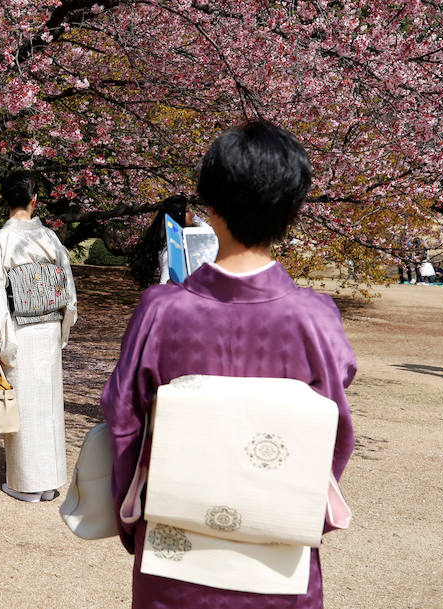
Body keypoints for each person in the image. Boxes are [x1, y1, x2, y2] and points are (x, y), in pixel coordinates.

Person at [101, 121, 355, 609]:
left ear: (210, 206)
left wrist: (134, 516)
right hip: (278, 553)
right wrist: (302, 511)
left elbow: (123, 420)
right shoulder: (315, 318)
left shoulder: (162, 311)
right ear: (292, 212)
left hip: (174, 556)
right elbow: (336, 431)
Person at [0, 171, 77, 502]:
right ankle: (48, 482)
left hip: (18, 328)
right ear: (35, 201)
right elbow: (67, 286)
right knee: (47, 404)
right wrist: (61, 319)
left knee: (25, 404)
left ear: (5, 200)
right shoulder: (49, 238)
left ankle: (26, 484)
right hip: (49, 325)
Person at [129, 195, 209, 288]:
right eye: (187, 210)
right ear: (179, 213)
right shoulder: (174, 243)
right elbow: (210, 233)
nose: (192, 213)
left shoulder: (173, 239)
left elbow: (210, 234)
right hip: (171, 292)